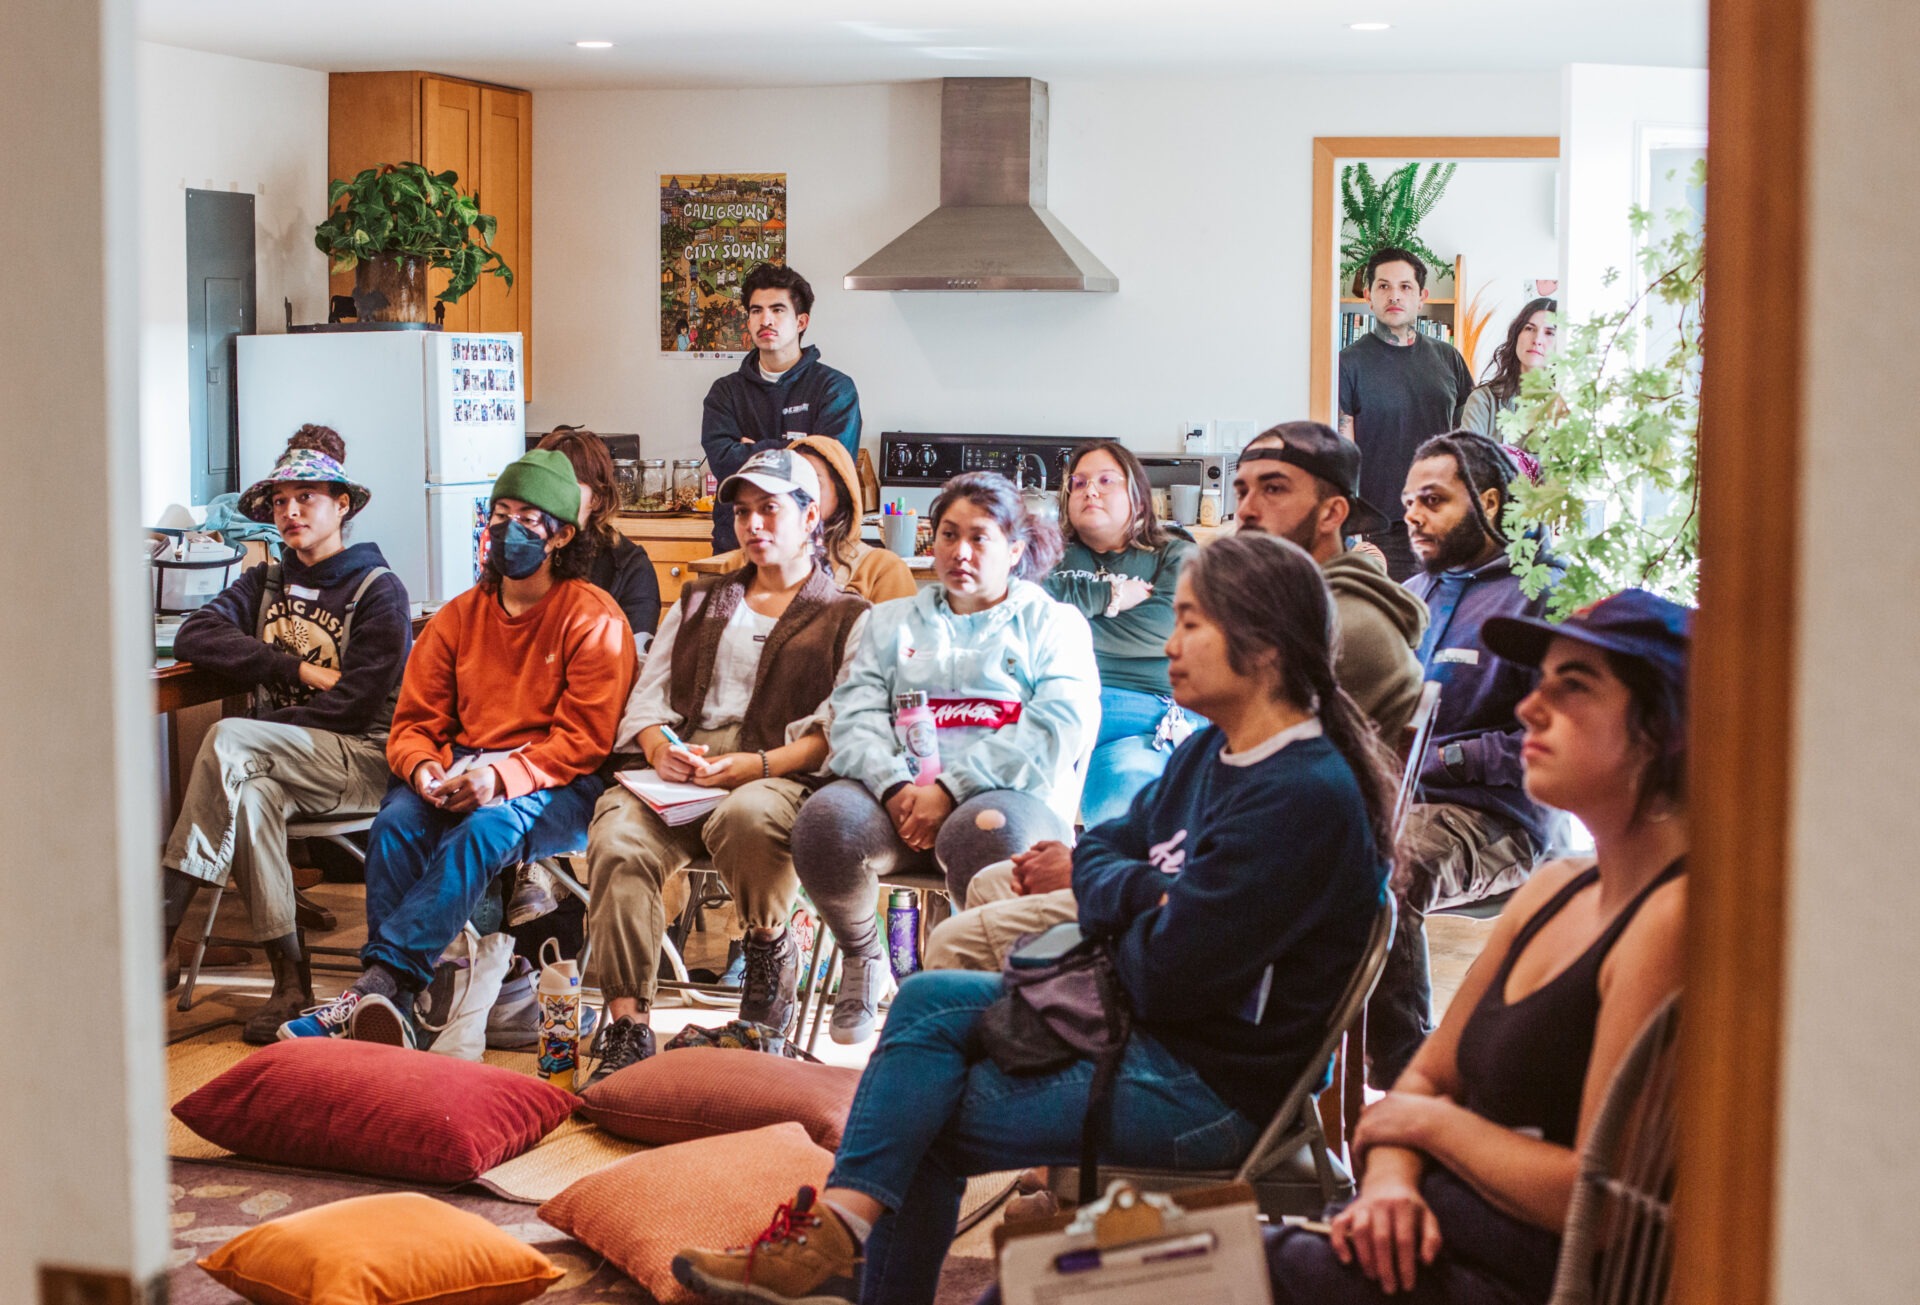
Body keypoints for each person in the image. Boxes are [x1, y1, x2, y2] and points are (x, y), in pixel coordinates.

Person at [671, 533, 1396, 1305]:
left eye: (1190, 623)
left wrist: (1125, 894)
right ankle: (842, 1240)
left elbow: (1165, 975)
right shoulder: (1209, 754)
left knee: (924, 1119)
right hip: (1152, 1033)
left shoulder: (1304, 795)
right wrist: (1142, 893)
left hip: (1211, 1090)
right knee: (923, 999)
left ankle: (848, 1255)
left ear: (1265, 648)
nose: (1168, 643)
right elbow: (1106, 851)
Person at [1263, 589, 1691, 1305]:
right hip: (1398, 1244)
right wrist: (1392, 1183)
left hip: (1492, 1282)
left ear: (1665, 726)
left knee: (1107, 1282)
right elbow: (1419, 1081)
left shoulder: (1672, 919)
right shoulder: (1554, 889)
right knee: (1083, 1272)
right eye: (1540, 680)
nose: (1528, 706)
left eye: (1575, 685)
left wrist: (1427, 1125)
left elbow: (1604, 1198)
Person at [924, 422, 1426, 976]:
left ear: (1333, 513)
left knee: (958, 940)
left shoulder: (1339, 635)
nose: (1248, 510)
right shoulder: (1255, 650)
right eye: (1241, 490)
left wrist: (1092, 874)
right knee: (996, 858)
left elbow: (1254, 852)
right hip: (1175, 846)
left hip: (1213, 910)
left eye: (1274, 488)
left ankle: (1024, 1023)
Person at [280, 450, 636, 1045]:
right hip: (459, 769)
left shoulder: (593, 617)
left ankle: (382, 987)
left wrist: (500, 781)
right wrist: (421, 768)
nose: (507, 528)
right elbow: (415, 721)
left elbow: (584, 740)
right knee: (395, 820)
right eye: (499, 513)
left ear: (561, 535)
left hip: (558, 785)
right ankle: (400, 1006)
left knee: (483, 832)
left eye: (527, 517)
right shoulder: (457, 618)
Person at [582, 449, 870, 1080]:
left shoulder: (846, 615)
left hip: (779, 770)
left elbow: (837, 732)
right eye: (742, 512)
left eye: (770, 508)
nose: (753, 524)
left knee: (749, 814)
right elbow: (647, 703)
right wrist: (661, 750)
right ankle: (628, 1023)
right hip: (685, 766)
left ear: (811, 515)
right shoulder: (699, 599)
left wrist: (756, 764)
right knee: (619, 833)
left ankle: (768, 946)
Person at [790, 471, 1098, 1045]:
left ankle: (977, 997)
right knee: (824, 825)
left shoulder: (1054, 624)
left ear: (1016, 549)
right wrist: (892, 788)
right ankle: (864, 957)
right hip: (895, 791)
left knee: (984, 834)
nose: (960, 552)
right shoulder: (888, 620)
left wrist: (951, 790)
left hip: (1006, 796)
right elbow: (852, 717)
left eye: (980, 538)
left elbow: (1056, 729)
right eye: (947, 535)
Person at [159, 426, 412, 1042]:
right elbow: (196, 636)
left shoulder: (378, 591)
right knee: (249, 794)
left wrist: (255, 733)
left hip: (362, 759)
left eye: (307, 497)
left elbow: (352, 709)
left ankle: (160, 927)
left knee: (228, 741)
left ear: (341, 505)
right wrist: (292, 667)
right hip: (280, 760)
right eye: (280, 502)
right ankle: (290, 982)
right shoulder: (265, 583)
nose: (290, 511)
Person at [1368, 430, 1562, 1089]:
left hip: (1500, 818)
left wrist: (1437, 758)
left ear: (1489, 501)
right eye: (1407, 500)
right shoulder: (1413, 591)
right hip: (1399, 802)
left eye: (1432, 499)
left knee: (1386, 870)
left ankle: (1407, 1082)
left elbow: (1547, 740)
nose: (1412, 515)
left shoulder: (1542, 594)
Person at [1040, 439, 1198, 827]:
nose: (1090, 490)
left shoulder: (1174, 554)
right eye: (1078, 483)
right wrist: (1111, 596)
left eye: (1106, 480)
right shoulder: (1045, 555)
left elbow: (1167, 627)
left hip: (1141, 718)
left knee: (1125, 801)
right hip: (1051, 718)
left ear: (1138, 497)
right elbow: (1024, 623)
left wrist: (1066, 627)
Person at [700, 263, 861, 553]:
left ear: (801, 322)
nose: (765, 320)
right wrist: (796, 448)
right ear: (747, 321)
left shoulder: (835, 389)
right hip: (736, 547)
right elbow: (723, 461)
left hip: (811, 549)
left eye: (777, 310)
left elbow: (825, 469)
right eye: (756, 311)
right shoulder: (725, 392)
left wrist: (752, 450)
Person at [1338, 247, 1475, 581]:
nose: (1394, 296)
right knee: (1396, 628)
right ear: (1368, 296)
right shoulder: (1347, 363)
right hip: (1380, 527)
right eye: (1383, 286)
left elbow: (1468, 439)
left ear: (1421, 296)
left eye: (1405, 287)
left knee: (1441, 626)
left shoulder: (1448, 358)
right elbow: (1344, 448)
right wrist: (1351, 528)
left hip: (1444, 520)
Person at [700, 434, 916, 604]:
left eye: (813, 481)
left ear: (842, 491)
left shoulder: (882, 569)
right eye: (742, 511)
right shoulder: (741, 562)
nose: (799, 493)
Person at [535, 426, 662, 642]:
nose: (552, 493)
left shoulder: (631, 568)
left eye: (567, 483)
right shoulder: (523, 554)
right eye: (543, 483)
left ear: (597, 499)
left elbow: (632, 659)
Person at [1456, 297, 1558, 483]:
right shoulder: (1484, 400)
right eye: (1529, 328)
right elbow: (1467, 467)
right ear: (1516, 334)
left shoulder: (1569, 404)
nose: (1537, 340)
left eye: (1550, 332)